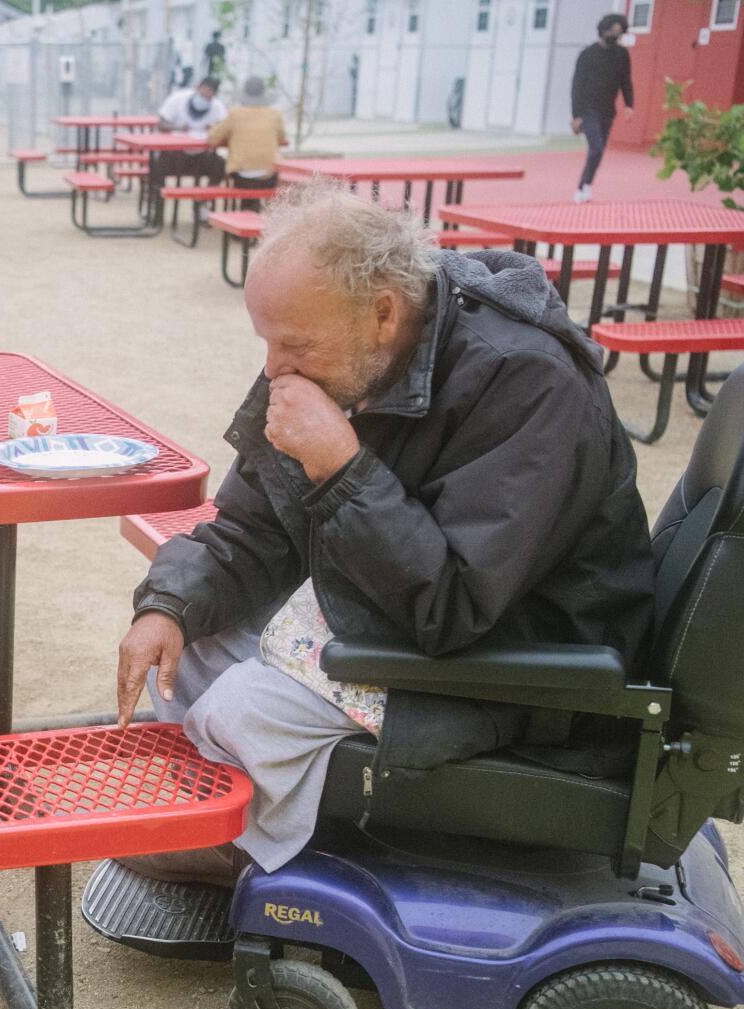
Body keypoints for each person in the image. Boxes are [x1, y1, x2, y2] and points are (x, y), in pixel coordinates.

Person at [114, 184, 655, 884]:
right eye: (267, 343)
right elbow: (252, 528)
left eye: (294, 344)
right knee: (184, 651)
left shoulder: (530, 383)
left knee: (238, 709)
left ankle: (246, 842)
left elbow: (453, 604)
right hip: (397, 607)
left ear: (382, 313)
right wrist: (170, 603)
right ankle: (249, 802)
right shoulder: (338, 362)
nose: (275, 368)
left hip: (519, 662)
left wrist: (340, 466)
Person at [571, 14, 634, 203]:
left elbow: (626, 81)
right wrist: (576, 115)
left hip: (608, 110)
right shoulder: (588, 54)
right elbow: (577, 85)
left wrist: (630, 104)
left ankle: (587, 185)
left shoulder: (622, 55)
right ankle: (581, 187)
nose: (616, 36)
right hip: (589, 110)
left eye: (619, 32)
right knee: (596, 148)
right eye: (612, 31)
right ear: (603, 30)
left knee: (599, 151)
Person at [206, 76, 288, 195]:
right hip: (269, 176)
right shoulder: (275, 115)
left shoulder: (235, 114)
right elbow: (282, 138)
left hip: (242, 176)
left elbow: (212, 139)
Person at [156, 77, 229, 185]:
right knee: (156, 163)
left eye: (209, 97)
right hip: (176, 152)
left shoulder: (217, 107)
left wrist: (214, 129)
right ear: (197, 88)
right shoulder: (179, 98)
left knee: (221, 166)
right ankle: (158, 199)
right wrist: (178, 128)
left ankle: (203, 198)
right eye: (203, 94)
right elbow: (161, 124)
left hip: (202, 154)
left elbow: (224, 130)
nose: (205, 98)